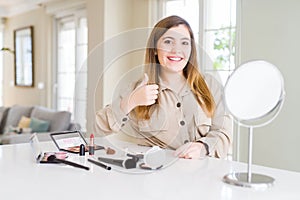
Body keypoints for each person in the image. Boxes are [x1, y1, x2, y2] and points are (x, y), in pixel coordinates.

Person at [95, 15, 232, 159]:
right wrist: (131, 101)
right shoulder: (139, 88)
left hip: (203, 176)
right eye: (168, 41)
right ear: (154, 49)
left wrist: (202, 147)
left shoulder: (210, 85)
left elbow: (224, 133)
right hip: (154, 177)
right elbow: (99, 127)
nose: (176, 50)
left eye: (184, 43)